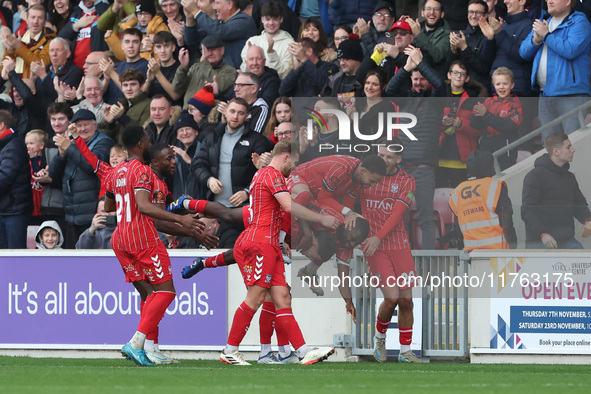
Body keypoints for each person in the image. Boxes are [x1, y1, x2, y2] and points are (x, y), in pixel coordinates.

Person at [221, 140, 335, 366]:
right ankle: (230, 350)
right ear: (285, 156)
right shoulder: (271, 175)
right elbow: (289, 207)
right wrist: (321, 218)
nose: (294, 166)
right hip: (260, 242)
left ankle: (303, 351)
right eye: (294, 161)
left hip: (270, 244)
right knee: (255, 298)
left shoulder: (263, 175)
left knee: (283, 298)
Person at [104, 125, 207, 366]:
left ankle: (150, 349)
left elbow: (109, 207)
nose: (151, 144)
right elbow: (143, 206)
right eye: (148, 140)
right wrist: (181, 218)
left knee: (150, 295)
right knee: (166, 292)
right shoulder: (142, 171)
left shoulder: (116, 172)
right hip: (142, 238)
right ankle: (136, 343)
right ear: (140, 145)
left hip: (120, 239)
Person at [359, 141, 422, 363]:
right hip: (373, 246)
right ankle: (379, 341)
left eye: (389, 156)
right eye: (380, 155)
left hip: (399, 245)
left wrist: (379, 236)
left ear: (398, 159)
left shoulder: (407, 180)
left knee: (406, 301)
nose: (384, 159)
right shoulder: (365, 175)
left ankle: (405, 351)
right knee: (392, 297)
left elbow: (397, 213)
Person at [385, 46, 445, 250]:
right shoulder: (404, 100)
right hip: (402, 170)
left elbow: (439, 83)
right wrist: (407, 67)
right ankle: (404, 260)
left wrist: (420, 64)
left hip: (424, 170)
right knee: (399, 218)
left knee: (425, 218)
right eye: (415, 78)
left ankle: (427, 264)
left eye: (421, 78)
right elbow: (390, 90)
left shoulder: (436, 100)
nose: (418, 81)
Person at [193, 98, 273, 247]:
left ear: (247, 116)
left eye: (240, 113)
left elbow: (266, 172)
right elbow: (197, 164)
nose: (235, 116)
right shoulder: (212, 137)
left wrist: (248, 192)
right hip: (214, 209)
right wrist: (209, 179)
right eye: (232, 111)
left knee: (237, 251)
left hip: (242, 210)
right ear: (226, 112)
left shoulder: (257, 141)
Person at [519, 0, 591, 141]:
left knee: (573, 144)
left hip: (572, 94)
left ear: (568, 2)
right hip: (545, 93)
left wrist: (546, 35)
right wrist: (536, 39)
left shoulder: (580, 21)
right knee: (551, 147)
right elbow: (523, 52)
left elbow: (571, 50)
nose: (548, 1)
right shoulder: (543, 21)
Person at [49, 109, 115, 248]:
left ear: (95, 125)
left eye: (87, 124)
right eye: (79, 126)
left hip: (91, 212)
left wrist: (69, 148)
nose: (83, 129)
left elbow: (92, 168)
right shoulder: (71, 143)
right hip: (72, 212)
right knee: (75, 258)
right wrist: (61, 155)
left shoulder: (104, 143)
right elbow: (54, 178)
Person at [522, 132, 591, 249]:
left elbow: (580, 206)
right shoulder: (534, 176)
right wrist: (542, 234)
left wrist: (588, 221)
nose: (573, 150)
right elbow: (527, 211)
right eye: (568, 147)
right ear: (556, 151)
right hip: (539, 241)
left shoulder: (570, 177)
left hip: (567, 240)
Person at [449, 149, 516, 251]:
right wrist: (513, 243)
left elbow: (458, 228)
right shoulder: (495, 185)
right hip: (498, 253)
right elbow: (506, 221)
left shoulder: (457, 191)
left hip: (471, 253)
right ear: (489, 166)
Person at [437, 60, 485, 188]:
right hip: (438, 159)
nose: (458, 76)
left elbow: (479, 129)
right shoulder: (438, 96)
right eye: (455, 72)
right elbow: (427, 123)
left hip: (463, 161)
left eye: (462, 74)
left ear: (467, 78)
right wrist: (440, 123)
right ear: (449, 75)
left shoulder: (474, 99)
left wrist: (461, 124)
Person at [470, 67, 522, 170]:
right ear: (494, 85)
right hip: (486, 153)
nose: (501, 87)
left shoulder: (515, 105)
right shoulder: (489, 101)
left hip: (505, 156)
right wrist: (477, 115)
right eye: (498, 84)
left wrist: (486, 115)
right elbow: (475, 126)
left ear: (512, 85)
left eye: (505, 84)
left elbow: (507, 126)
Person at [185, 0, 258, 68]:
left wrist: (196, 12)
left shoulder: (244, 21)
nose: (214, 7)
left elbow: (221, 32)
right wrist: (189, 20)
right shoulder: (218, 24)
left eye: (217, 3)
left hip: (238, 75)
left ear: (229, 4)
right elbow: (193, 42)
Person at [172, 35, 237, 107]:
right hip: (187, 112)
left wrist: (203, 63)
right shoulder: (195, 67)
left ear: (222, 50)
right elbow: (177, 88)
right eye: (206, 50)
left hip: (208, 114)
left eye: (213, 49)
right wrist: (183, 68)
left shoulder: (230, 71)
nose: (210, 53)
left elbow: (219, 86)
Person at [0, 110, 33, 249]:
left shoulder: (12, 145)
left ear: (1, 125)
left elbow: (4, 178)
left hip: (14, 212)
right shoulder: (5, 145)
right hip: (6, 209)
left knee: (15, 258)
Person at [446, 0, 495, 90]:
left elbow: (483, 69)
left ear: (486, 15)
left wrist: (464, 48)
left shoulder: (489, 36)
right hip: (459, 89)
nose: (473, 16)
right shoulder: (461, 35)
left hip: (479, 90)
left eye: (478, 12)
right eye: (471, 12)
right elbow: (448, 68)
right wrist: (454, 51)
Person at [240, 1, 295, 78]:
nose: (271, 23)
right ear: (262, 19)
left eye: (275, 19)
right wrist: (251, 59)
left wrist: (272, 53)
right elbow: (244, 70)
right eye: (267, 19)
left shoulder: (290, 44)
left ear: (281, 19)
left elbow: (285, 74)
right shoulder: (252, 41)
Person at [2, 4, 56, 79]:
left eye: (40, 18)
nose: (35, 21)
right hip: (16, 86)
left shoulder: (50, 39)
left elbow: (40, 64)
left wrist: (19, 47)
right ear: (27, 20)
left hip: (35, 87)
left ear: (45, 21)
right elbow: (3, 72)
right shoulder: (20, 38)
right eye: (32, 17)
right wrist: (9, 51)